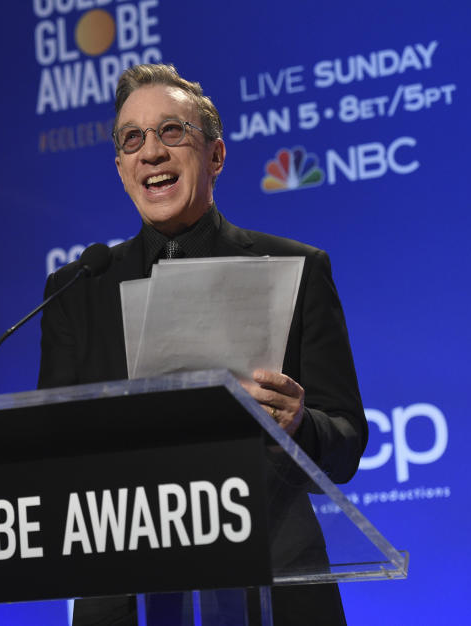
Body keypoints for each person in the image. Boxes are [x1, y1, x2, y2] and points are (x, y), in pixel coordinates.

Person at [38, 64, 367, 626]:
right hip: (125, 591)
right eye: (132, 139)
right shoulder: (78, 290)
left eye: (172, 132)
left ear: (215, 156)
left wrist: (299, 423)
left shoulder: (296, 268)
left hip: (275, 580)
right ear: (121, 169)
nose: (152, 152)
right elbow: (49, 454)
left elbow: (346, 443)